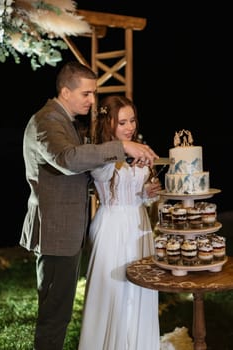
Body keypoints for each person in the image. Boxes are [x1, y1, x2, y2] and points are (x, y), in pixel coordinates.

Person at [19, 61, 158, 350]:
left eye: (93, 94)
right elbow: (68, 160)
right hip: (55, 233)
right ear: (65, 91)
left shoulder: (68, 123)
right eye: (86, 94)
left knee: (60, 312)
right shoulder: (46, 121)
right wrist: (122, 148)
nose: (92, 100)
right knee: (54, 315)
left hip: (67, 232)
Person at [78, 95, 161, 350]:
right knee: (113, 288)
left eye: (132, 120)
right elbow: (101, 171)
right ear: (108, 124)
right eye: (122, 122)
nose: (129, 127)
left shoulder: (139, 148)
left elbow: (139, 192)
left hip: (139, 223)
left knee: (141, 287)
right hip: (113, 224)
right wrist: (124, 148)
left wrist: (148, 193)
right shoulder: (100, 153)